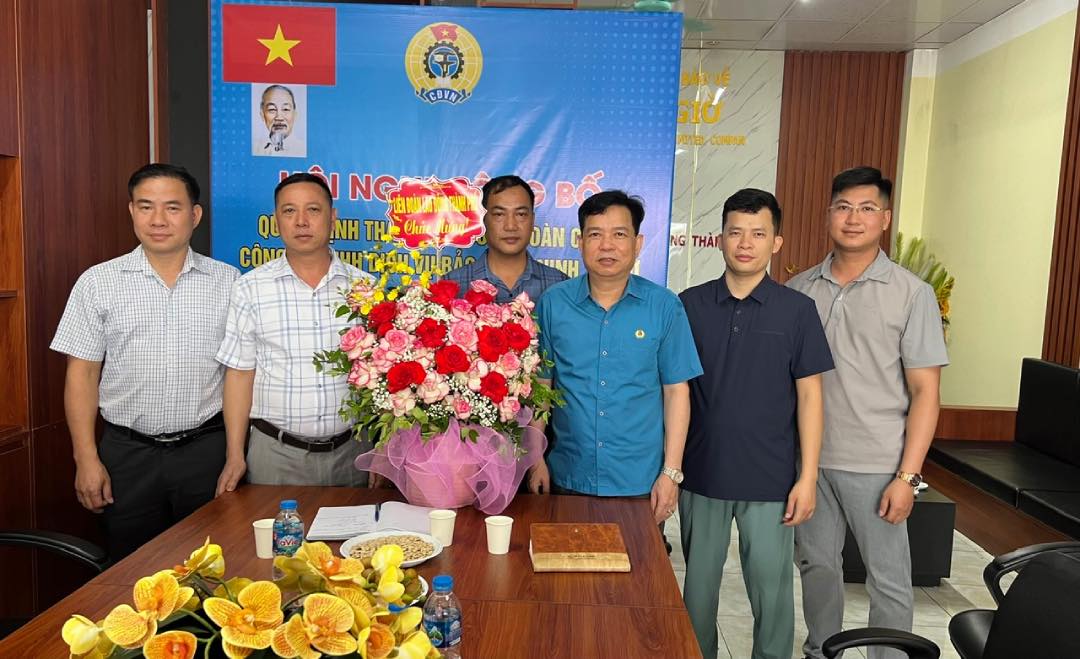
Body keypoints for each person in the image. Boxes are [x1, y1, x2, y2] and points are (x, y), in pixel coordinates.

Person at [787, 167, 948, 659]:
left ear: (885, 218)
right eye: (843, 207)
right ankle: (822, 649)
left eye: (866, 208)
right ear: (828, 214)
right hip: (809, 463)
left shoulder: (911, 293)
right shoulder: (799, 290)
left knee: (889, 577)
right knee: (816, 565)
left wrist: (910, 477)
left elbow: (926, 392)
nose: (853, 218)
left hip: (878, 463)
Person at [51, 163, 239, 560]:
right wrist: (86, 459)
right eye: (146, 206)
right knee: (130, 573)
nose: (158, 220)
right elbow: (81, 374)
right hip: (127, 456)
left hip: (205, 452)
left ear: (195, 215)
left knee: (214, 570)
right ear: (131, 211)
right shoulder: (98, 282)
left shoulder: (229, 282)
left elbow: (241, 374)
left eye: (172, 207)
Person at [678, 188, 833, 659]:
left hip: (771, 478)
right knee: (696, 593)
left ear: (776, 243)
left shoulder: (797, 311)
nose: (745, 243)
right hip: (701, 473)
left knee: (772, 590)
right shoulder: (689, 305)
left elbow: (811, 397)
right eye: (735, 232)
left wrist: (807, 478)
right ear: (719, 239)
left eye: (758, 234)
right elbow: (674, 392)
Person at [530, 190, 702, 527]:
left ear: (638, 244)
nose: (606, 245)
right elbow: (541, 385)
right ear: (580, 242)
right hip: (568, 477)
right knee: (566, 576)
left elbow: (676, 392)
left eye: (619, 234)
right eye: (595, 234)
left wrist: (671, 473)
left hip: (640, 482)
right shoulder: (553, 304)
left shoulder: (664, 306)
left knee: (639, 577)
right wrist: (535, 457)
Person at [216, 173, 371, 489]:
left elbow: (379, 378)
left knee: (355, 540)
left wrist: (380, 453)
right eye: (289, 211)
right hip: (275, 454)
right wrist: (234, 454)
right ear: (277, 220)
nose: (301, 221)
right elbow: (239, 374)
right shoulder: (250, 288)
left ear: (333, 217)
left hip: (352, 452)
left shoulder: (365, 288)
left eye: (313, 210)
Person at [441, 175, 567, 303]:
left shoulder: (560, 286)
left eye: (521, 214)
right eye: (499, 214)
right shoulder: (451, 287)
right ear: (483, 220)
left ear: (532, 220)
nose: (511, 226)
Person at [254, 84, 305, 157]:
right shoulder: (255, 148)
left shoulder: (303, 150)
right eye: (272, 109)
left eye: (285, 109)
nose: (279, 117)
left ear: (295, 115)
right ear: (262, 115)